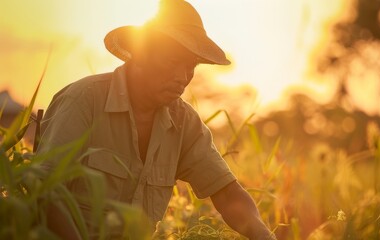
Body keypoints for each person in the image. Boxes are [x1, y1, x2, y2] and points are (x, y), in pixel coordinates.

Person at [38, 0, 276, 239]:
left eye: (190, 66)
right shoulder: (84, 100)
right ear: (141, 53)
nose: (183, 77)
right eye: (173, 62)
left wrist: (265, 236)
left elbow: (227, 193)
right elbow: (46, 190)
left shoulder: (184, 123)